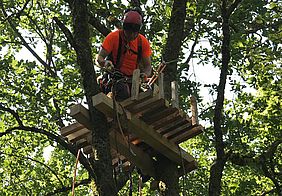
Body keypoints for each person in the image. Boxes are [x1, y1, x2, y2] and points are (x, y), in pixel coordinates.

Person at [96, 8, 152, 101]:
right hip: (115, 79)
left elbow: (148, 66)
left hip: (133, 81)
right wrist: (105, 63)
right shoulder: (113, 37)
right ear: (124, 27)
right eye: (129, 32)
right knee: (122, 92)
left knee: (148, 95)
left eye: (134, 33)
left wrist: (144, 75)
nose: (131, 35)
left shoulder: (142, 42)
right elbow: (99, 58)